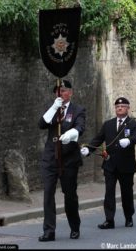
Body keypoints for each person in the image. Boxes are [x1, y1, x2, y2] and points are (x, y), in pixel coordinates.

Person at [81, 97, 136, 229]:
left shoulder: (133, 124)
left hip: (126, 165)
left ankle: (128, 217)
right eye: (117, 106)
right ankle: (109, 220)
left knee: (127, 193)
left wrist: (129, 141)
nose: (120, 108)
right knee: (109, 192)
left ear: (127, 108)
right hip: (110, 164)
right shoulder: (108, 124)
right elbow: (98, 139)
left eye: (123, 106)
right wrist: (89, 149)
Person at [38, 80, 86, 241]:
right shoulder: (52, 108)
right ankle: (49, 231)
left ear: (70, 92)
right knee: (48, 194)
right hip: (51, 157)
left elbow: (80, 127)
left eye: (64, 90)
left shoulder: (77, 109)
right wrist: (53, 107)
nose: (60, 93)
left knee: (70, 194)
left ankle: (74, 226)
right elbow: (42, 124)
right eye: (58, 91)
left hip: (69, 159)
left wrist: (72, 133)